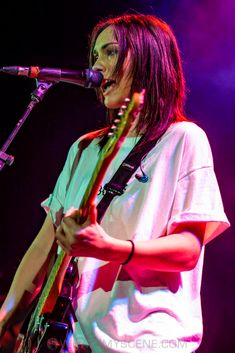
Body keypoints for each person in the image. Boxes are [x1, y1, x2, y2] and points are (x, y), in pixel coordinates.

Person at [0, 13, 230, 353]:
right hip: (77, 341)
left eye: (110, 52)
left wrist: (109, 248)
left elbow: (188, 250)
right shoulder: (84, 149)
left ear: (149, 58)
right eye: (95, 56)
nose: (98, 65)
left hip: (151, 342)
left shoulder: (183, 139)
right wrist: (6, 319)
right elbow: (44, 246)